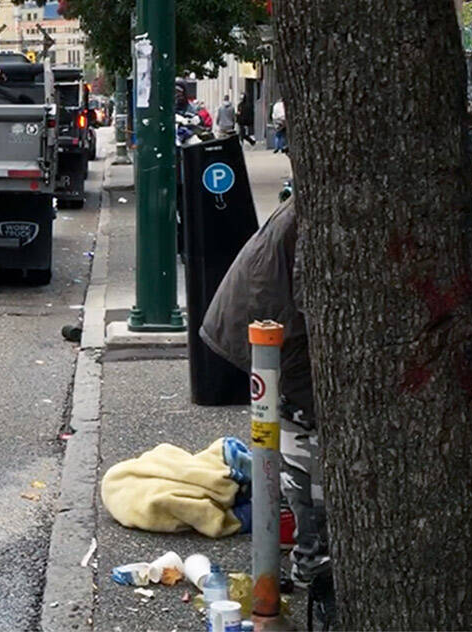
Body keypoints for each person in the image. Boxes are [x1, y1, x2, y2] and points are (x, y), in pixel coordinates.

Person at [200, 197, 335, 629]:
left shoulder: (318, 202)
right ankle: (310, 561)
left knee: (292, 427)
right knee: (302, 424)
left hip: (269, 325)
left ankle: (304, 555)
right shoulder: (328, 211)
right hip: (275, 332)